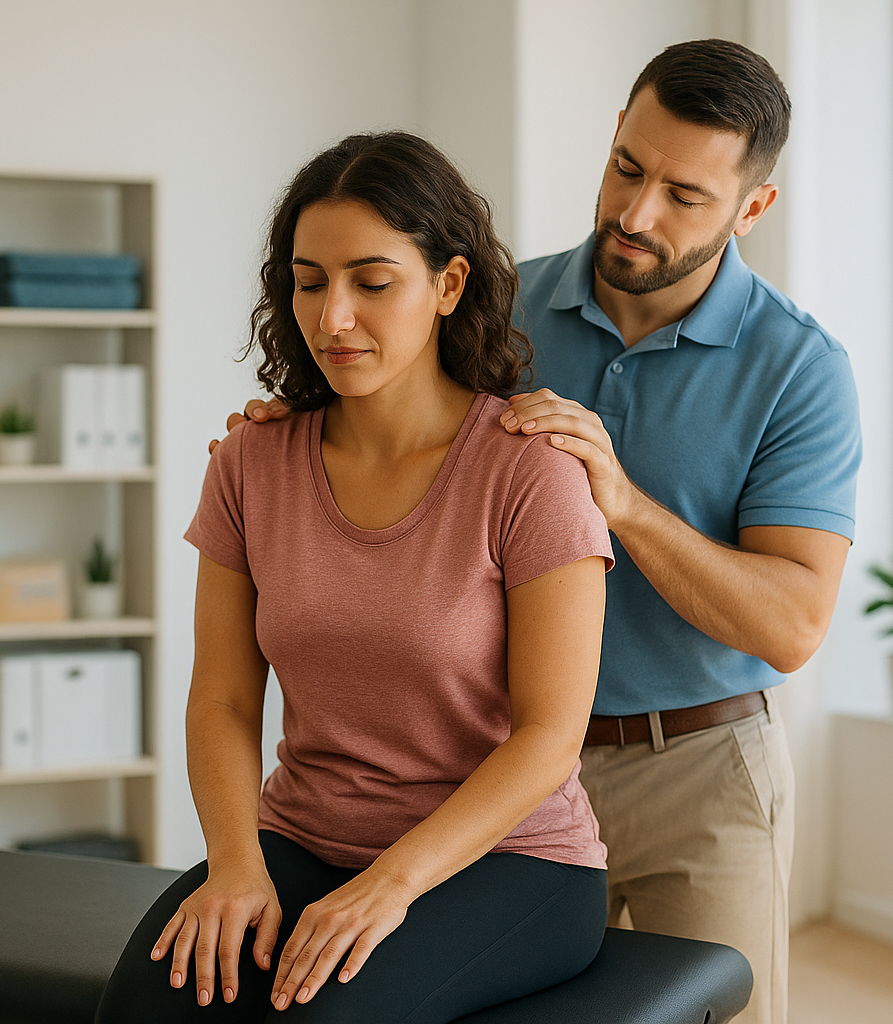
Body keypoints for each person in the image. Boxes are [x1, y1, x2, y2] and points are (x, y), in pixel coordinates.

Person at [221, 40, 861, 1024]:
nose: (637, 214)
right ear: (612, 138)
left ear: (752, 208)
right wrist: (289, 426)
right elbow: (378, 397)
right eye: (628, 168)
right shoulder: (500, 310)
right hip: (492, 775)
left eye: (685, 195)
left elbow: (792, 623)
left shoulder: (798, 368)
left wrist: (629, 503)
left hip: (697, 766)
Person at [107, 131, 615, 1024]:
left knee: (320, 1017)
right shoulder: (250, 463)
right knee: (150, 1001)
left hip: (510, 862)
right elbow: (223, 698)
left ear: (447, 286)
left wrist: (391, 885)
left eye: (372, 283)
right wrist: (235, 866)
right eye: (310, 282)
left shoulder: (527, 473)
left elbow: (548, 737)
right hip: (305, 836)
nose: (333, 316)